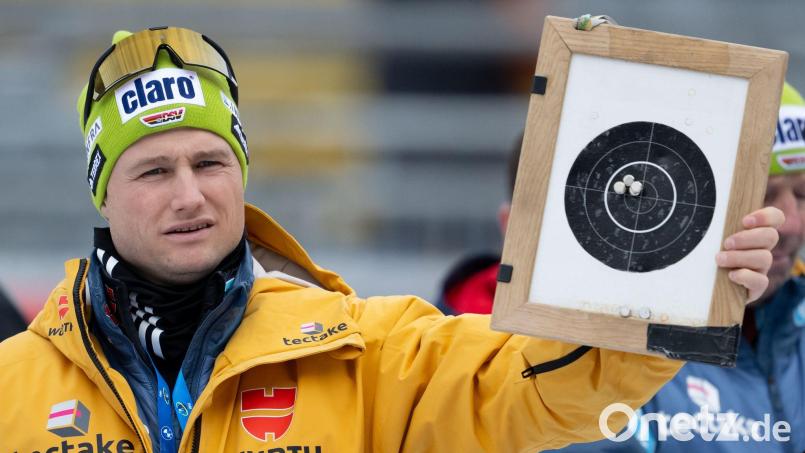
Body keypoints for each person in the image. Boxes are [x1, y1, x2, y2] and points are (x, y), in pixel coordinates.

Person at [0, 27, 781, 452]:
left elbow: (550, 388)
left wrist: (675, 277)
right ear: (103, 191)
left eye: (210, 162)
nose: (189, 195)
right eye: (153, 171)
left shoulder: (368, 353)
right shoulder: (13, 383)